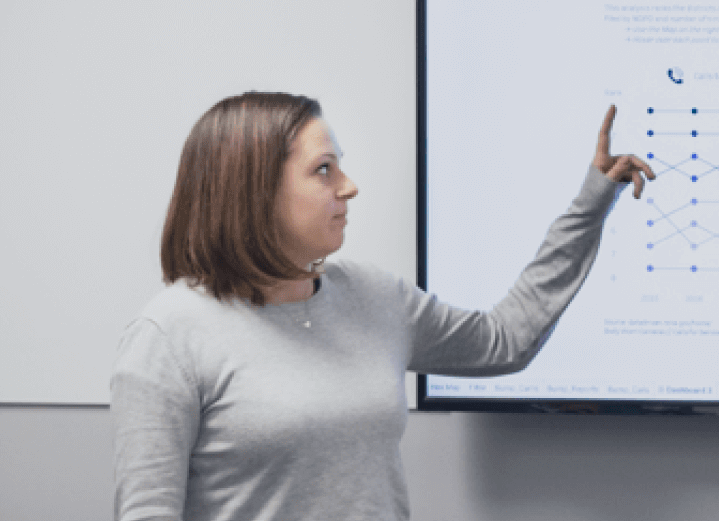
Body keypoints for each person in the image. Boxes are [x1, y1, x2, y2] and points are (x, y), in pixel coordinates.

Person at [112, 91, 651, 518]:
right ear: (254, 192)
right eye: (324, 170)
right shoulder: (169, 336)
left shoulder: (373, 297)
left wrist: (590, 203)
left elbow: (506, 340)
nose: (348, 187)